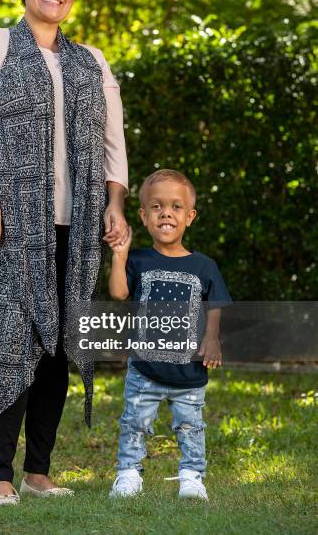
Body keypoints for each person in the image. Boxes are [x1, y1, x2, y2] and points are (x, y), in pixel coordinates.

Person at [0, 0, 129, 506]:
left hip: (76, 229)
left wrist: (116, 204)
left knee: (62, 347)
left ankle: (38, 472)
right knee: (13, 340)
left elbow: (112, 147)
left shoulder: (92, 61)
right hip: (10, 223)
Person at [107, 169, 231, 499]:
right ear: (144, 216)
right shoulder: (138, 260)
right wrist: (119, 257)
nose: (166, 213)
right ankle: (129, 474)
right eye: (157, 206)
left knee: (191, 426)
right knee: (134, 423)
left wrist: (212, 338)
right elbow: (119, 293)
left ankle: (192, 476)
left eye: (176, 207)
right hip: (144, 369)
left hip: (189, 372)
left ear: (189, 217)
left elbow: (215, 303)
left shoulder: (204, 265)